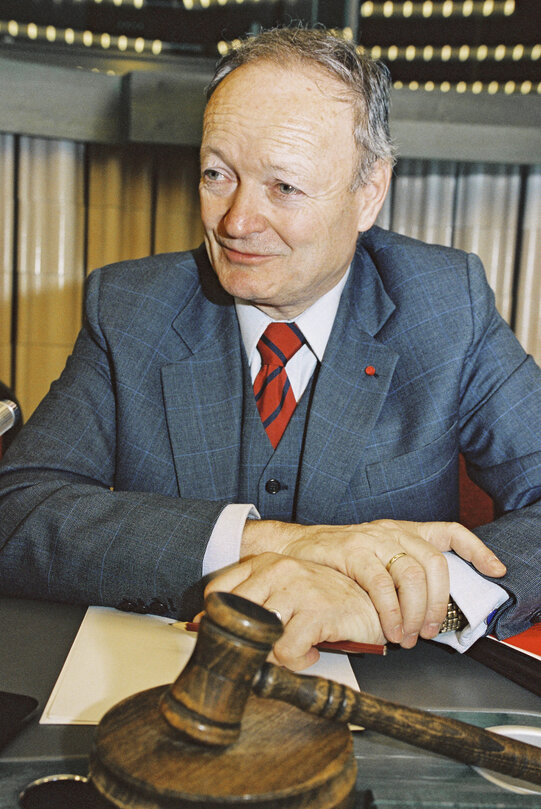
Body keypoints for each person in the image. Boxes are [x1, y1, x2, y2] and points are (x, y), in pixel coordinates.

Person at [0, 28, 539, 672]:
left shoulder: (445, 303)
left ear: (368, 192)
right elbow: (18, 515)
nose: (235, 222)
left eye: (283, 186)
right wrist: (273, 542)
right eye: (216, 174)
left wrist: (403, 602)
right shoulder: (130, 308)